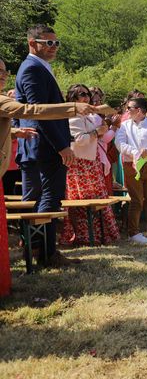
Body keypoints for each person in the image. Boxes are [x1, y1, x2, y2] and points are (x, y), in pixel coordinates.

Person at [0, 58, 99, 292]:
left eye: (4, 70)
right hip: (40, 150)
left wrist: (14, 132)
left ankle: (41, 250)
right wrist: (72, 108)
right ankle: (40, 250)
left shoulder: (7, 95)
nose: (3, 75)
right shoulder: (28, 73)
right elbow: (29, 110)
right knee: (40, 200)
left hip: (28, 151)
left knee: (41, 201)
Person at [15, 25, 79, 268]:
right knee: (48, 201)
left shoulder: (39, 68)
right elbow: (39, 112)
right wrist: (62, 146)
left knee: (43, 201)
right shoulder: (32, 68)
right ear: (32, 43)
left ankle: (39, 252)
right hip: (44, 146)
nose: (53, 47)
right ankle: (45, 254)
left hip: (41, 146)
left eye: (56, 43)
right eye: (48, 43)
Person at [60, 84, 119, 245]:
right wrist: (97, 132)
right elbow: (79, 140)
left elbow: (94, 137)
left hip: (90, 162)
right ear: (73, 98)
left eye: (87, 95)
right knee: (82, 202)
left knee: (98, 200)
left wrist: (103, 129)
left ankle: (100, 235)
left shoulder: (85, 116)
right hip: (79, 165)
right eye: (82, 95)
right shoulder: (73, 117)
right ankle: (84, 236)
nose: (86, 98)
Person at [115, 97, 147, 245]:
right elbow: (119, 143)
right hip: (131, 166)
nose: (126, 110)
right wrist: (135, 152)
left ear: (139, 111)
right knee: (136, 200)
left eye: (129, 108)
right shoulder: (124, 126)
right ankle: (133, 232)